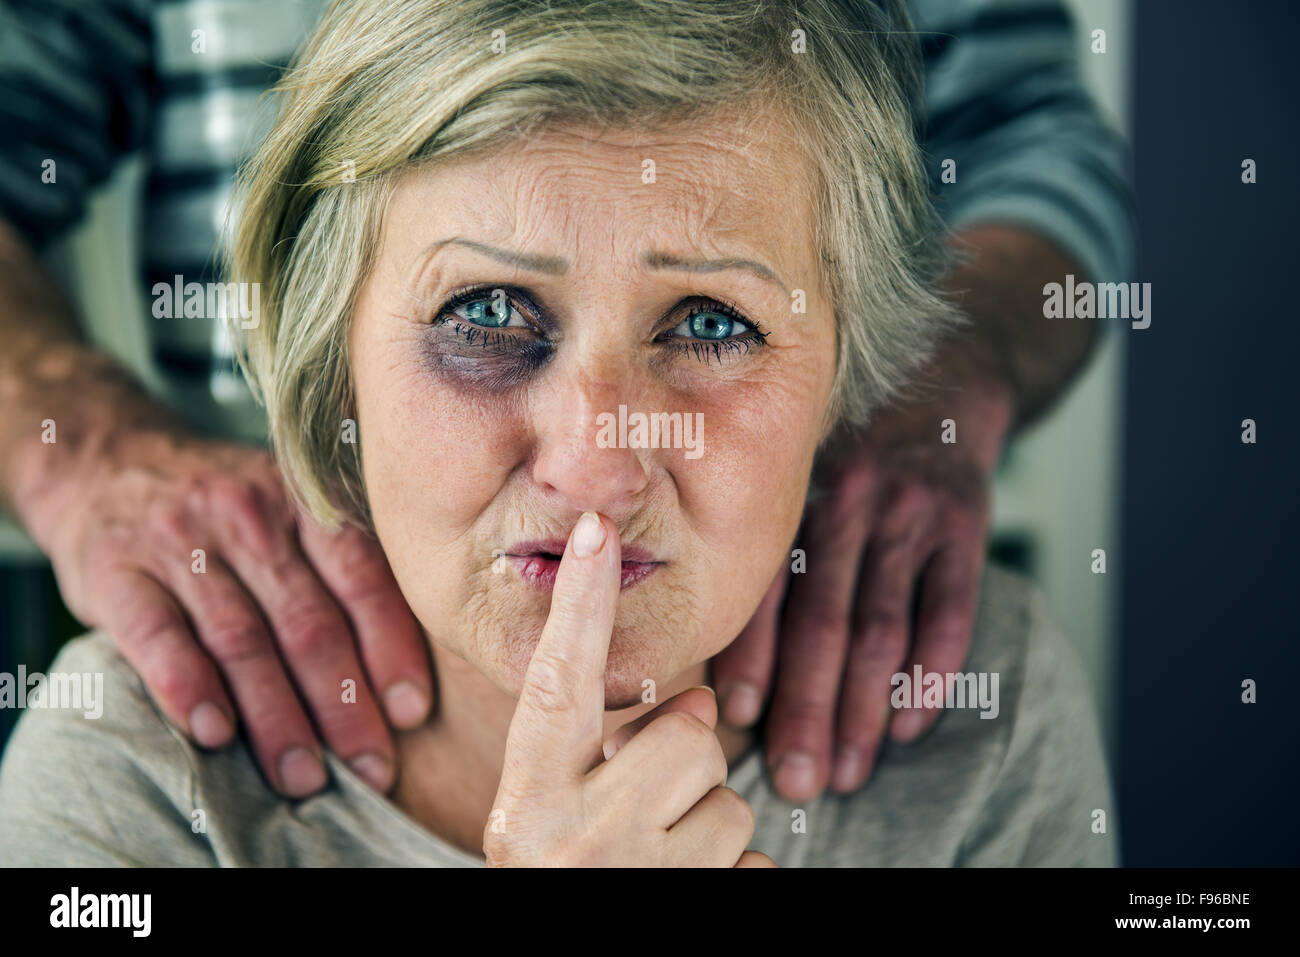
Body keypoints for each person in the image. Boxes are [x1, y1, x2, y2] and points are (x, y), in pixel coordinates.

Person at [0, 0, 1115, 867]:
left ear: (850, 377)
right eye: (484, 314)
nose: (595, 463)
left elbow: (1033, 141)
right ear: (323, 351)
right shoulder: (136, 778)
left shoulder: (980, 716)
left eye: (713, 323)